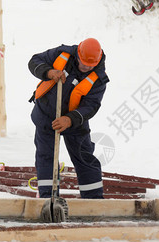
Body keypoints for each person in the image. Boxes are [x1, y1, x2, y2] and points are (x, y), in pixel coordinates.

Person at [28, 38, 109, 199]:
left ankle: (93, 199)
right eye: (83, 62)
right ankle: (48, 198)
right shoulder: (61, 53)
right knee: (46, 156)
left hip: (74, 122)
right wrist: (49, 72)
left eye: (90, 65)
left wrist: (70, 119)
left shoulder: (99, 79)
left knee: (84, 156)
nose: (86, 67)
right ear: (77, 54)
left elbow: (91, 105)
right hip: (46, 115)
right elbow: (34, 61)